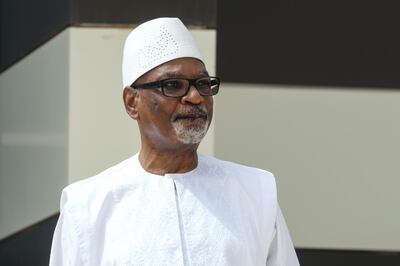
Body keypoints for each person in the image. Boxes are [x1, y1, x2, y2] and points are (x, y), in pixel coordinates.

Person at [49, 17, 299, 266]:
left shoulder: (255, 193)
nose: (194, 97)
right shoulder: (87, 208)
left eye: (202, 84)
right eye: (173, 85)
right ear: (131, 102)